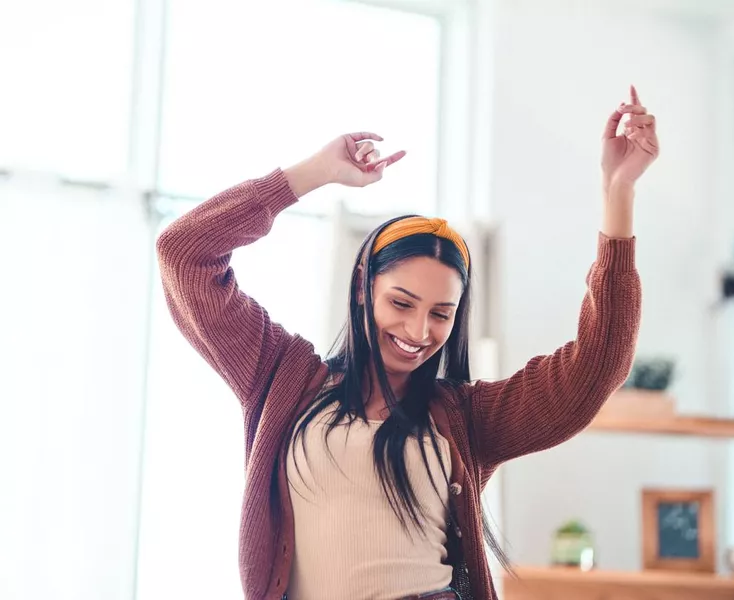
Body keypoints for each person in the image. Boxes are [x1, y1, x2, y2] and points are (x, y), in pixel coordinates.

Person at [156, 85, 657, 600]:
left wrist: (617, 192)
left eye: (441, 314)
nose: (419, 333)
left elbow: (600, 363)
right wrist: (313, 173)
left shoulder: (467, 418)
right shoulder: (281, 377)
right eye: (401, 303)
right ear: (361, 288)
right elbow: (184, 253)